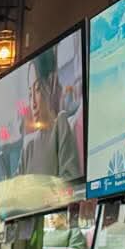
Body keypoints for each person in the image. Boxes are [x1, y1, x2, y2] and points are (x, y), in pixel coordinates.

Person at [19, 45, 82, 181]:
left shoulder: (61, 124)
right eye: (30, 93)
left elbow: (70, 181)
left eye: (37, 89)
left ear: (52, 83)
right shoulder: (27, 146)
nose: (33, 103)